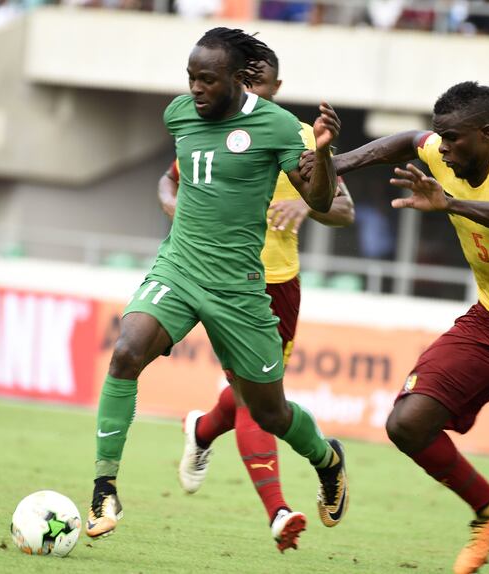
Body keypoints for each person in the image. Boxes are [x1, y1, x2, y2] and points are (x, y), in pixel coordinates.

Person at [86, 27, 350, 543]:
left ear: (238, 80)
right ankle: (104, 487)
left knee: (270, 412)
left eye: (207, 79)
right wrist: (177, 207)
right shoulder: (178, 114)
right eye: (190, 78)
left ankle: (326, 457)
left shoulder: (277, 127)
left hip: (240, 288)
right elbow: (176, 178)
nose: (196, 89)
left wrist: (321, 155)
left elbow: (322, 204)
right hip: (179, 269)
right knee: (126, 352)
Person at [305, 81, 489, 574]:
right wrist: (340, 163)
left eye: (453, 139)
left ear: (487, 134)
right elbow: (409, 140)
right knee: (406, 424)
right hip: (488, 321)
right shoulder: (442, 151)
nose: (444, 148)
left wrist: (449, 204)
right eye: (442, 138)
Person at [157, 52, 354, 552]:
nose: (248, 90)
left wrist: (306, 206)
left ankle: (203, 429)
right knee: (254, 399)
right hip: (215, 279)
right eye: (240, 81)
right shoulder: (210, 126)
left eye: (258, 81)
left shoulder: (298, 136)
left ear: (277, 84)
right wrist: (181, 213)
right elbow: (169, 180)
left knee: (261, 398)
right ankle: (279, 510)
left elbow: (344, 210)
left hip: (276, 286)